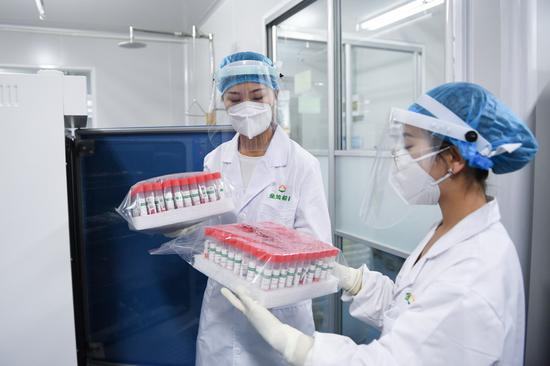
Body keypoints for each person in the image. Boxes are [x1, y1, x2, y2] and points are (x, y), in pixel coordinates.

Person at [221, 82, 538, 366]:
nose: (399, 157)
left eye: (410, 145)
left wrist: (292, 344)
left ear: (453, 158)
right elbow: (411, 308)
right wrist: (353, 280)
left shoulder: (471, 277)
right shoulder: (450, 231)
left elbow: (392, 360)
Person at [195, 51, 331, 366]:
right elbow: (207, 231)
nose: (246, 106)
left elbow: (317, 247)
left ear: (275, 95)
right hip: (222, 306)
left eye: (257, 95)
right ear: (223, 102)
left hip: (279, 314)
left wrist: (265, 275)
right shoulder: (214, 160)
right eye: (234, 98)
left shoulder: (301, 165)